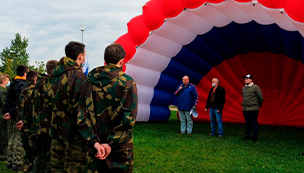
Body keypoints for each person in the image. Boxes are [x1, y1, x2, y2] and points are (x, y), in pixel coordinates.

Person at [77, 43, 138, 172]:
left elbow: (82, 117)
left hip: (95, 149)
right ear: (121, 61)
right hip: (120, 150)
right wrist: (109, 144)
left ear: (105, 60)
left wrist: (96, 143)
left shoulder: (88, 82)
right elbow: (128, 119)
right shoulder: (127, 83)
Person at [45, 41, 87, 172]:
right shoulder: (78, 76)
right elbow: (81, 108)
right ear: (80, 56)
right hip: (73, 134)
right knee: (74, 168)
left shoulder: (54, 75)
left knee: (57, 167)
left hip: (56, 130)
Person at [31, 60, 58, 173]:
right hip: (49, 124)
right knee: (48, 155)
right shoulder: (52, 85)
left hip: (38, 123)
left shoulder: (38, 84)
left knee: (40, 153)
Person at [3, 65, 28, 171]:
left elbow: (8, 99)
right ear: (25, 73)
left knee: (12, 138)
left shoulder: (12, 83)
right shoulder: (22, 84)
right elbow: (19, 101)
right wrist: (13, 113)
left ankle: (10, 160)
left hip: (10, 113)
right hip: (17, 114)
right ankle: (17, 162)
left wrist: (7, 111)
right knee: (18, 138)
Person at [16, 71, 39, 172]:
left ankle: (26, 168)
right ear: (35, 79)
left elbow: (19, 108)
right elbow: (33, 110)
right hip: (31, 126)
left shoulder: (23, 91)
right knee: (35, 152)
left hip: (23, 125)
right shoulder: (34, 91)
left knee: (28, 152)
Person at [242, 74, 264, 142]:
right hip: (245, 108)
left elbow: (260, 97)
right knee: (247, 122)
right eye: (245, 78)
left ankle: (255, 136)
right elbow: (244, 97)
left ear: (251, 80)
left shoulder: (256, 87)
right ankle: (247, 135)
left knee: (254, 122)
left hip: (253, 108)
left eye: (247, 78)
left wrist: (258, 105)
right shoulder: (243, 88)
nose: (245, 80)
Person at [0, 73, 10, 161]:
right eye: (7, 80)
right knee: (3, 135)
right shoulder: (2, 91)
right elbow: (4, 104)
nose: (8, 82)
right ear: (4, 81)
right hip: (2, 116)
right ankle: (3, 155)